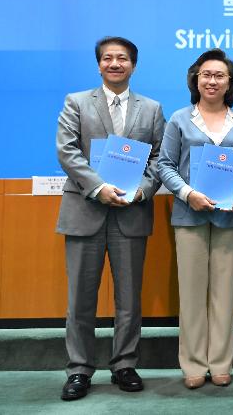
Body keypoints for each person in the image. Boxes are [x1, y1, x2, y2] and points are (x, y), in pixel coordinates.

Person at [56, 36, 165, 401]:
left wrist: (141, 191)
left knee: (129, 299)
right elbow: (67, 151)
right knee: (80, 299)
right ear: (99, 64)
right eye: (108, 58)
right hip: (85, 210)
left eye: (122, 59)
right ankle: (79, 370)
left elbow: (158, 160)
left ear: (133, 65)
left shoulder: (151, 108)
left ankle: (124, 365)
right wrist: (99, 188)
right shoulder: (76, 102)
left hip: (131, 212)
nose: (115, 64)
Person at [157, 48, 233, 389]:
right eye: (206, 75)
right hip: (190, 216)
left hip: (229, 217)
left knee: (223, 293)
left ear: (230, 83)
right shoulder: (179, 120)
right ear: (195, 79)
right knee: (191, 293)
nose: (212, 81)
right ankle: (193, 365)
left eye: (219, 76)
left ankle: (220, 362)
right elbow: (165, 166)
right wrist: (189, 194)